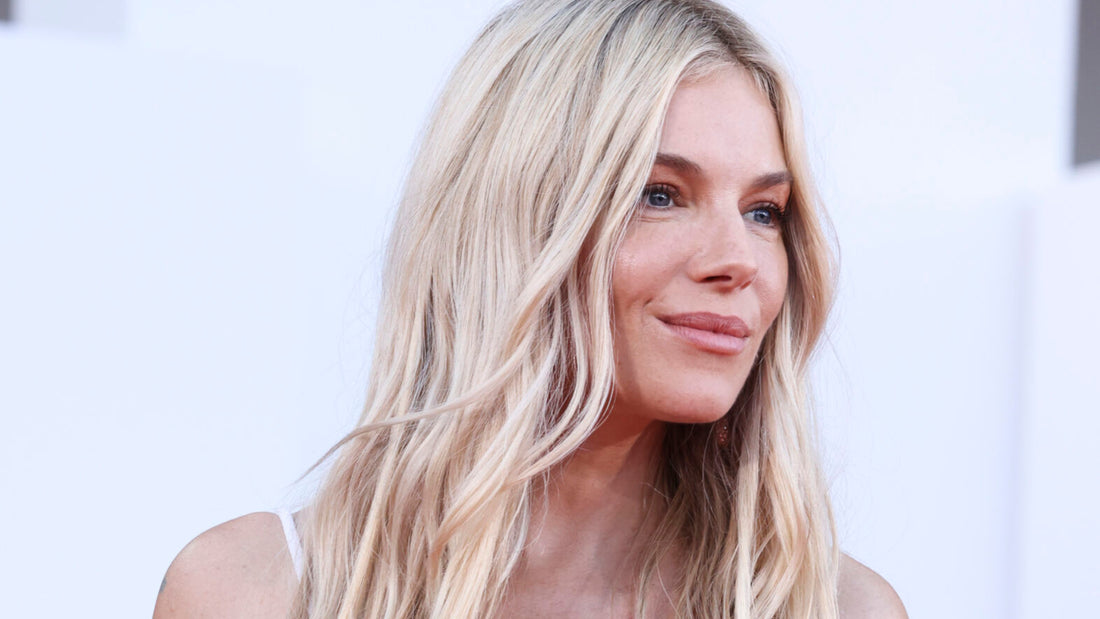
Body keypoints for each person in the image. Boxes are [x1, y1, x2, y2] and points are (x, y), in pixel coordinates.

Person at [154, 0, 907, 616]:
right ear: (519, 218)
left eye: (764, 211)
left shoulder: (834, 606)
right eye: (660, 194)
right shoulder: (252, 593)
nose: (738, 259)